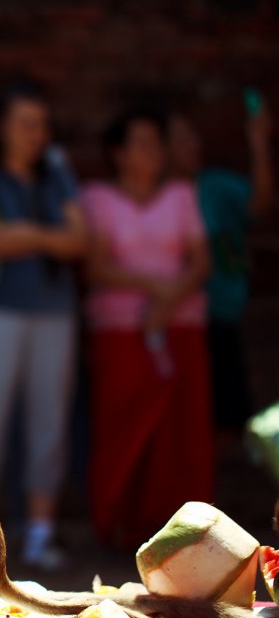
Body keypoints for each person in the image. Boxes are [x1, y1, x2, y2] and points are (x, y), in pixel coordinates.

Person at [0, 80, 87, 570]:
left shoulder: (56, 172)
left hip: (55, 313)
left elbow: (81, 241)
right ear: (1, 128)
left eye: (42, 124)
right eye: (25, 123)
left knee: (48, 423)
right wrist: (44, 235)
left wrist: (24, 235)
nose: (36, 134)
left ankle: (39, 535)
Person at [82, 108, 213, 549]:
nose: (151, 153)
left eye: (156, 143)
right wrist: (154, 288)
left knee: (182, 431)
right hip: (120, 332)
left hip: (181, 330)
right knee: (121, 426)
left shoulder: (181, 195)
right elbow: (97, 265)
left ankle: (191, 537)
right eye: (139, 143)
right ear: (117, 153)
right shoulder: (98, 197)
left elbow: (200, 261)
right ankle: (119, 529)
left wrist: (169, 302)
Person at [168, 103, 274, 445]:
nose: (193, 145)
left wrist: (259, 143)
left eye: (193, 137)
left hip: (225, 314)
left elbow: (259, 204)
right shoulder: (162, 198)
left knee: (228, 417)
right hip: (178, 322)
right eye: (182, 139)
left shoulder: (214, 186)